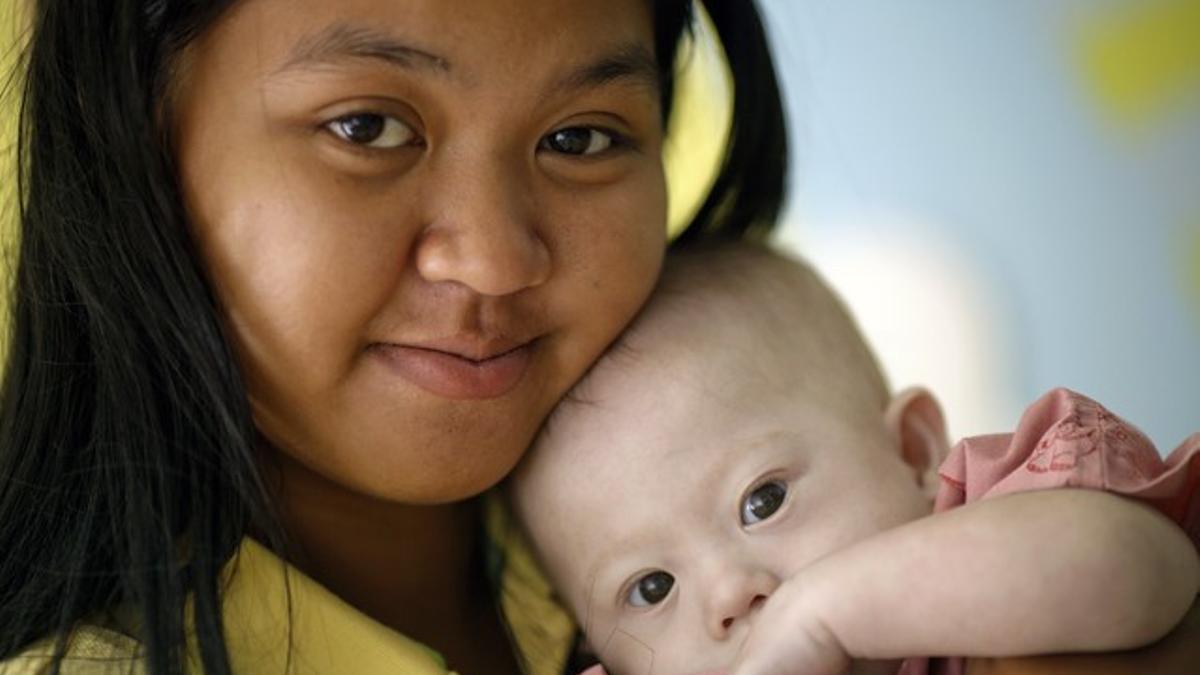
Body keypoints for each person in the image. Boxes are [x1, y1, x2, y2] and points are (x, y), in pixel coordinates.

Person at [0, 1, 787, 674]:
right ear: (136, 146)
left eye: (579, 139)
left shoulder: (774, 553)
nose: (493, 262)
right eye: (367, 127)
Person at [510, 243, 1200, 675]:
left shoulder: (1005, 524)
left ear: (913, 451)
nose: (729, 594)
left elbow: (1147, 568)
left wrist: (826, 613)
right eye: (652, 587)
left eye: (763, 500)